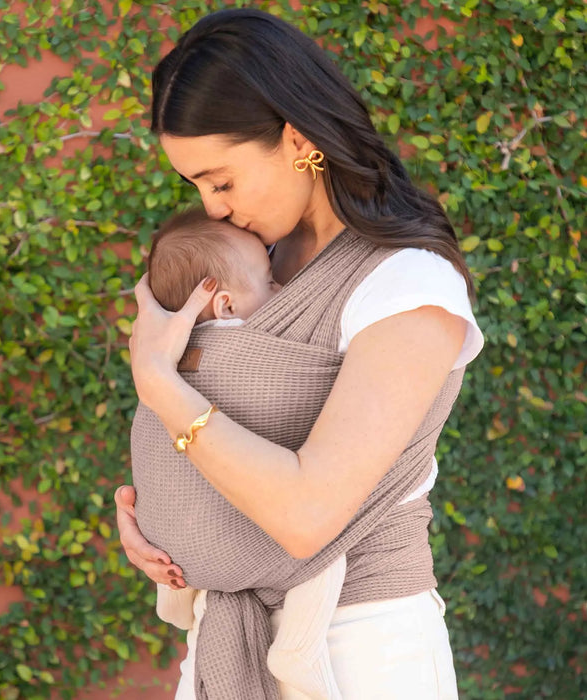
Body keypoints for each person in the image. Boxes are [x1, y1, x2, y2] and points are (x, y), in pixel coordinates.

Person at [116, 8, 484, 699]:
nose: (212, 208)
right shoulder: (247, 273)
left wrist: (159, 381)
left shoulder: (408, 285)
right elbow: (212, 436)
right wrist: (157, 519)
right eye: (194, 185)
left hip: (360, 650)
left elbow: (305, 515)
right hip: (223, 640)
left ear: (297, 139)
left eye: (221, 181)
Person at [138, 208, 347, 700]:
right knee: (327, 550)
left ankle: (174, 600)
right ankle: (298, 648)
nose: (281, 291)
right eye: (271, 282)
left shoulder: (170, 357)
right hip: (258, 539)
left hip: (179, 555)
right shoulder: (255, 350)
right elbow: (300, 398)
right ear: (226, 306)